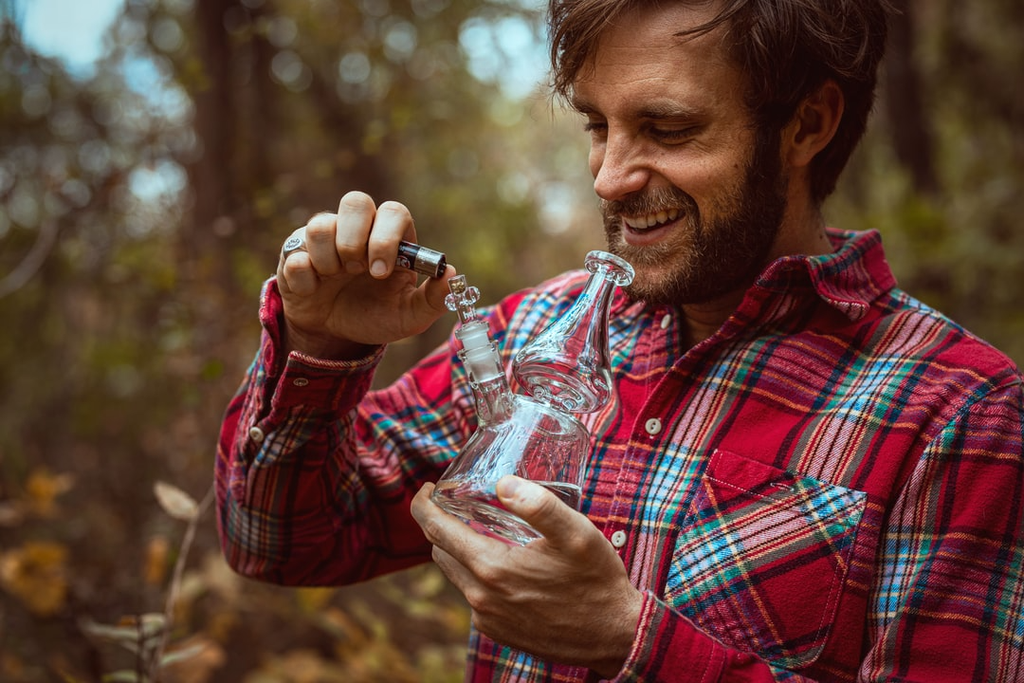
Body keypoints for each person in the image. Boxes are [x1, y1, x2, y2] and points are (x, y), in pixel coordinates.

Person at [215, 0, 1024, 680]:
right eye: (599, 125)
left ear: (807, 123)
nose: (608, 176)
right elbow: (279, 542)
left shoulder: (959, 413)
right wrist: (319, 344)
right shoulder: (537, 333)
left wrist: (631, 642)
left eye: (666, 129)